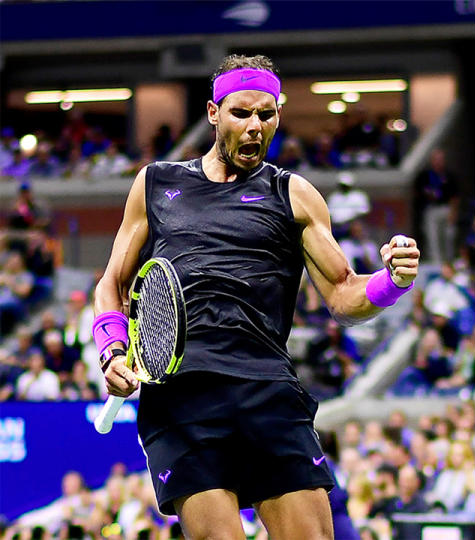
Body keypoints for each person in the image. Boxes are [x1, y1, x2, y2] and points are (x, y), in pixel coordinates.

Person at [93, 54, 419, 540]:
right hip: (183, 398)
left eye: (266, 115)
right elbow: (114, 285)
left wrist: (391, 281)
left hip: (266, 390)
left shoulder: (294, 195)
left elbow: (344, 296)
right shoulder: (156, 184)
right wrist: (112, 350)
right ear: (212, 113)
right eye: (241, 113)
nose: (254, 126)